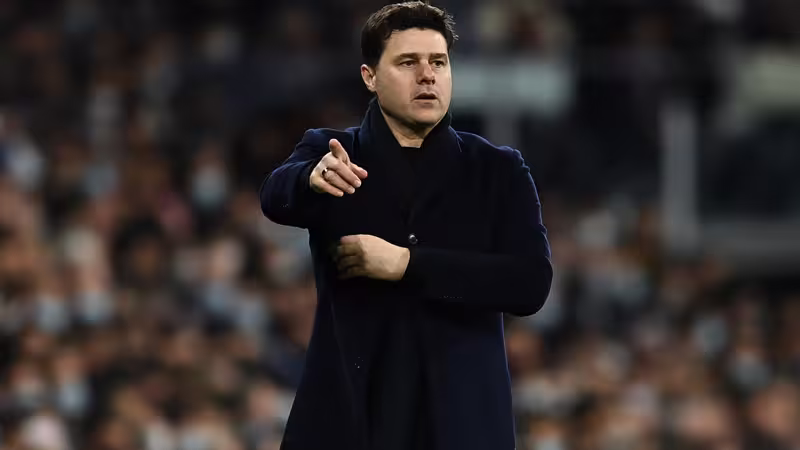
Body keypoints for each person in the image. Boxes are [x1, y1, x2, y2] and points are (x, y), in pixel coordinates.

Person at [259, 2, 553, 449]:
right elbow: (275, 197)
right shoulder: (333, 152)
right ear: (370, 77)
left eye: (439, 62)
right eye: (408, 62)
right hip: (351, 421)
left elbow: (530, 284)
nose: (427, 75)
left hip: (461, 425)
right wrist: (309, 179)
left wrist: (407, 264)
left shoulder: (498, 169)